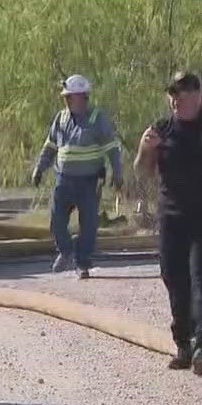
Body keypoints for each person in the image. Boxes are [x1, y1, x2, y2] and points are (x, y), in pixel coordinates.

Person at [137, 72, 202, 373]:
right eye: (174, 94)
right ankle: (183, 344)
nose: (179, 99)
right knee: (174, 278)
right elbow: (142, 170)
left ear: (198, 96)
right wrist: (146, 149)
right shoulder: (160, 130)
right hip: (172, 217)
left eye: (185, 93)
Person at [33, 75, 123, 279]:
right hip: (63, 179)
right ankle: (65, 251)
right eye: (65, 96)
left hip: (89, 180)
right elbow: (50, 145)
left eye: (70, 96)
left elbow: (111, 147)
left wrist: (117, 173)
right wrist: (39, 168)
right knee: (57, 221)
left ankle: (82, 262)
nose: (66, 100)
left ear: (82, 96)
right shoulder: (61, 118)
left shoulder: (97, 118)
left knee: (89, 223)